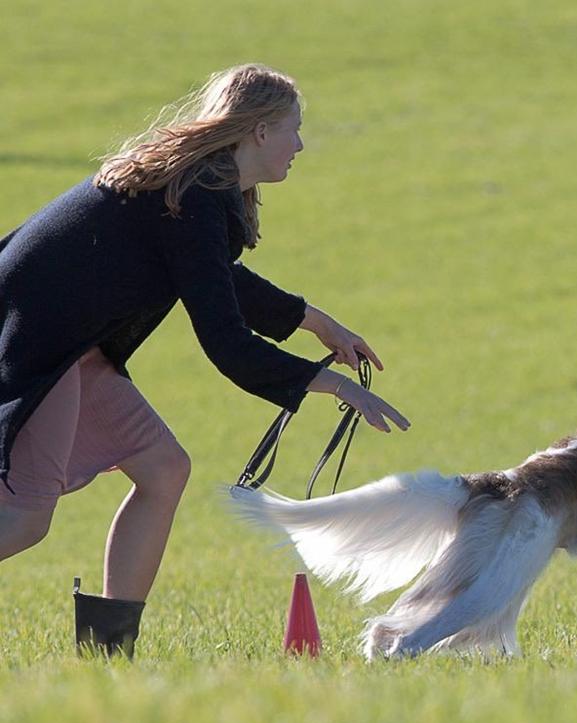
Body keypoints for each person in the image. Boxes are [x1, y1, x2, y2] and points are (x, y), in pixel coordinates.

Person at [0, 64, 410, 656]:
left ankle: (108, 653)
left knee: (163, 468)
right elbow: (226, 342)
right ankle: (106, 653)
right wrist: (331, 386)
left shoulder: (201, 190)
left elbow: (220, 281)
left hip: (71, 342)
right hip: (40, 343)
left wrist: (320, 324)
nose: (300, 145)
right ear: (260, 131)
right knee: (24, 519)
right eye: (294, 129)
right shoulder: (193, 195)